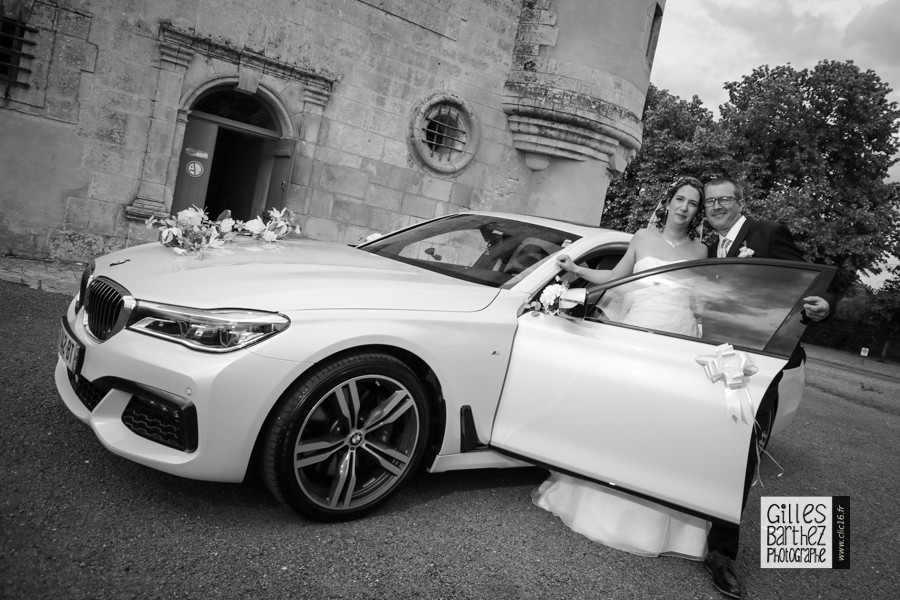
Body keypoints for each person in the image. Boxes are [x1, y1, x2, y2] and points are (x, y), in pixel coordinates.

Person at [534, 177, 710, 559]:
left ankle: (657, 521)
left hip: (677, 339)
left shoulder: (702, 249)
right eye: (679, 199)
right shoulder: (642, 238)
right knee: (624, 416)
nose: (684, 207)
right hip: (638, 333)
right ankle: (601, 504)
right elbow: (617, 279)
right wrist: (577, 269)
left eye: (692, 203)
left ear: (698, 212)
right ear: (669, 202)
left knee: (663, 424)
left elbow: (701, 304)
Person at [702, 177, 833, 599]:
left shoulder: (768, 234)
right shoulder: (708, 249)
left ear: (740, 203)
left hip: (761, 367)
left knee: (741, 458)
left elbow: (812, 287)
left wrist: (823, 308)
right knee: (708, 446)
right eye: (710, 202)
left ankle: (721, 556)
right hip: (713, 361)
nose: (716, 206)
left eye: (724, 199)